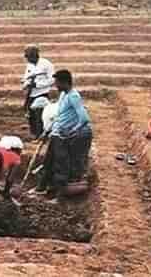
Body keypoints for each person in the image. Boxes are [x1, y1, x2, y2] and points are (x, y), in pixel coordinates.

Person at [35, 70, 93, 202]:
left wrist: (73, 131)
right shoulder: (63, 95)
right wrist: (47, 131)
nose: (55, 85)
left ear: (64, 82)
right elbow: (59, 117)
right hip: (57, 134)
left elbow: (84, 118)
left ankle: (60, 197)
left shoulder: (74, 96)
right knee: (48, 162)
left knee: (62, 166)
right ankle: (42, 190)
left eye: (57, 82)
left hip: (66, 137)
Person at [21, 44, 54, 139]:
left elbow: (52, 80)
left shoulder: (47, 64)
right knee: (31, 114)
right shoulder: (29, 65)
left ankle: (42, 135)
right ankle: (34, 134)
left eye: (28, 56)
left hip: (42, 94)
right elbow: (26, 77)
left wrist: (38, 85)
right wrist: (26, 84)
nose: (27, 59)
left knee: (40, 116)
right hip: (31, 94)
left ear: (34, 55)